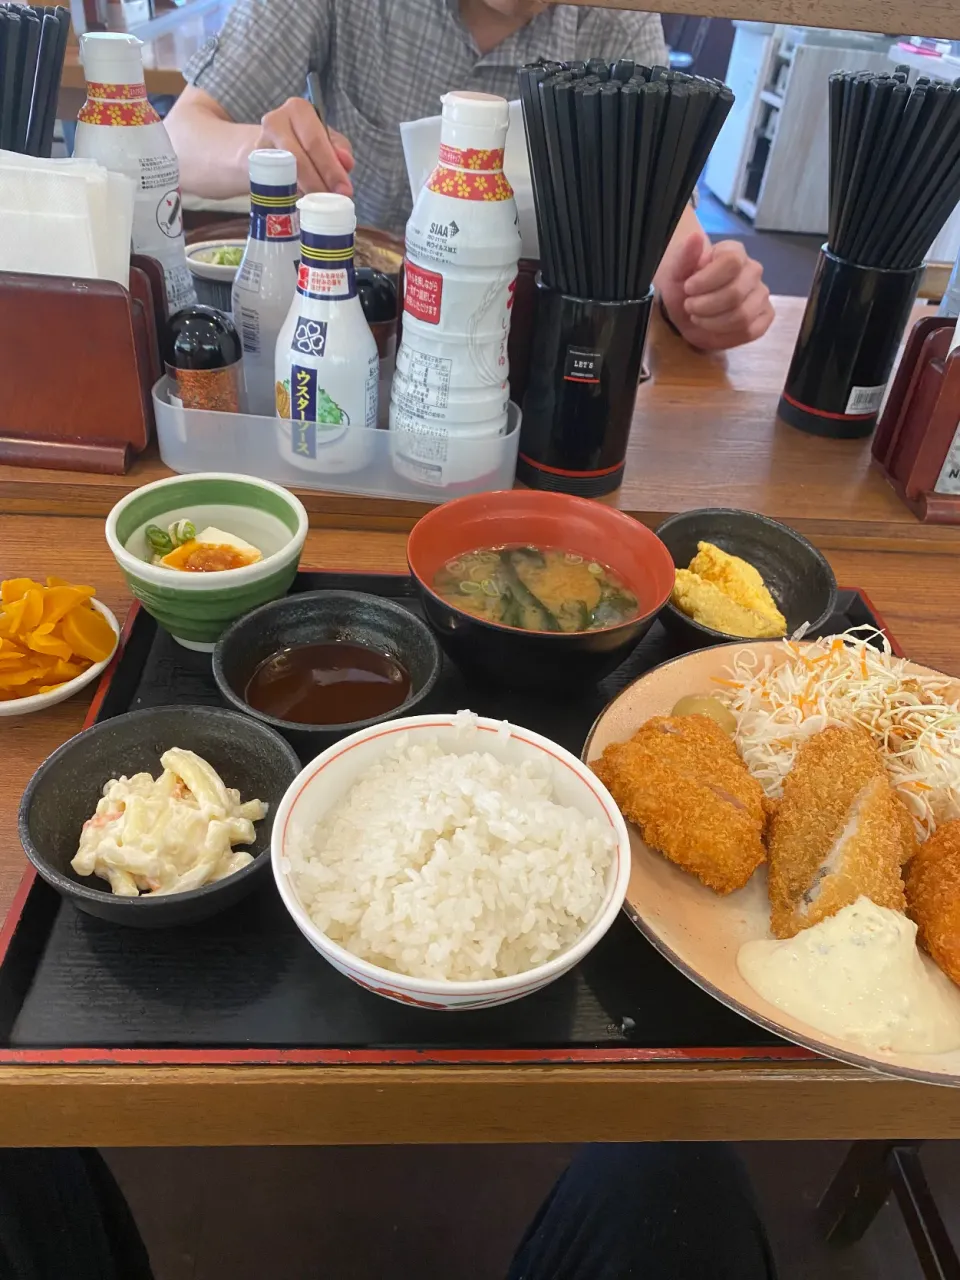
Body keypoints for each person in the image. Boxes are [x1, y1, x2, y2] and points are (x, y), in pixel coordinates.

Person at [166, 0, 774, 351]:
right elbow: (179, 137)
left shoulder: (610, 18)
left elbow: (654, 205)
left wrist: (699, 291)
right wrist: (266, 152)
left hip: (531, 345)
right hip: (355, 324)